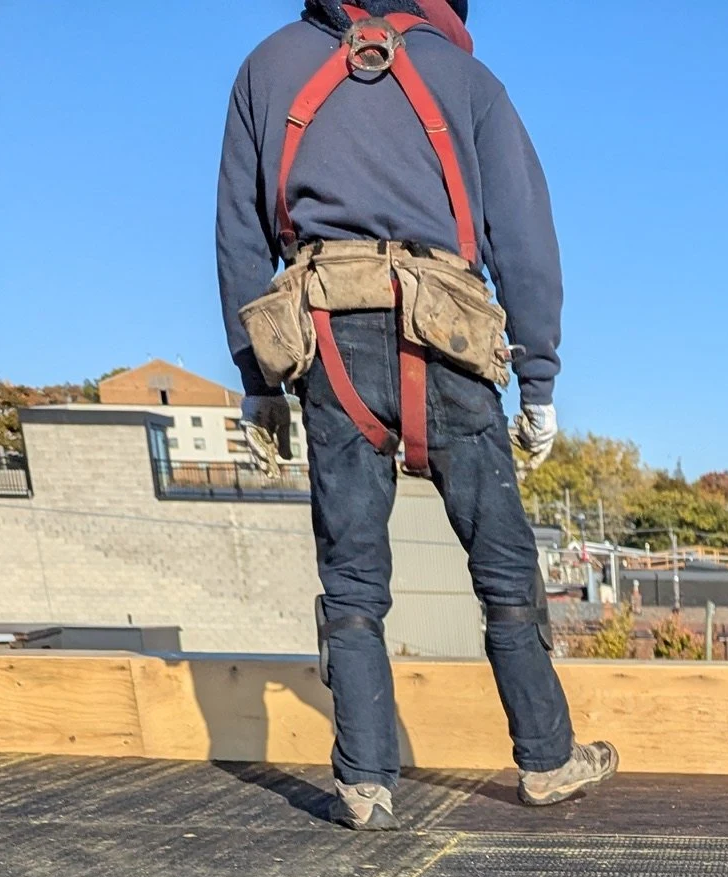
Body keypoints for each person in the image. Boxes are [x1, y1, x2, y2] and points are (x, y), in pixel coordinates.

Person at [216, 0, 617, 827]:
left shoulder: (268, 68)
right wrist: (538, 379)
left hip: (328, 337)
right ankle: (546, 759)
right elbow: (525, 237)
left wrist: (258, 377)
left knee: (352, 580)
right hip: (449, 332)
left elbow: (238, 235)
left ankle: (364, 782)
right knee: (503, 568)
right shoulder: (464, 77)